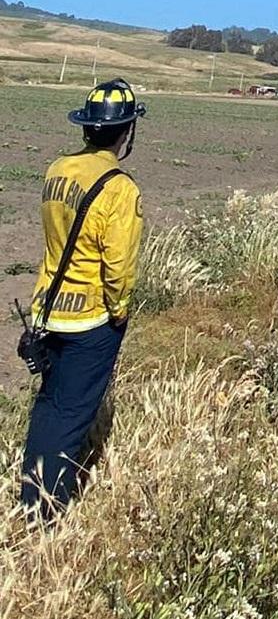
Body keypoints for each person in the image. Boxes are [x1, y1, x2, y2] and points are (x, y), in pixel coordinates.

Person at [20, 79, 145, 519]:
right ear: (126, 131)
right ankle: (45, 512)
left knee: (49, 407)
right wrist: (120, 311)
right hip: (91, 317)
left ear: (86, 128)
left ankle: (27, 494)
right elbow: (118, 267)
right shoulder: (119, 188)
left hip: (47, 310)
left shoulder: (58, 170)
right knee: (73, 415)